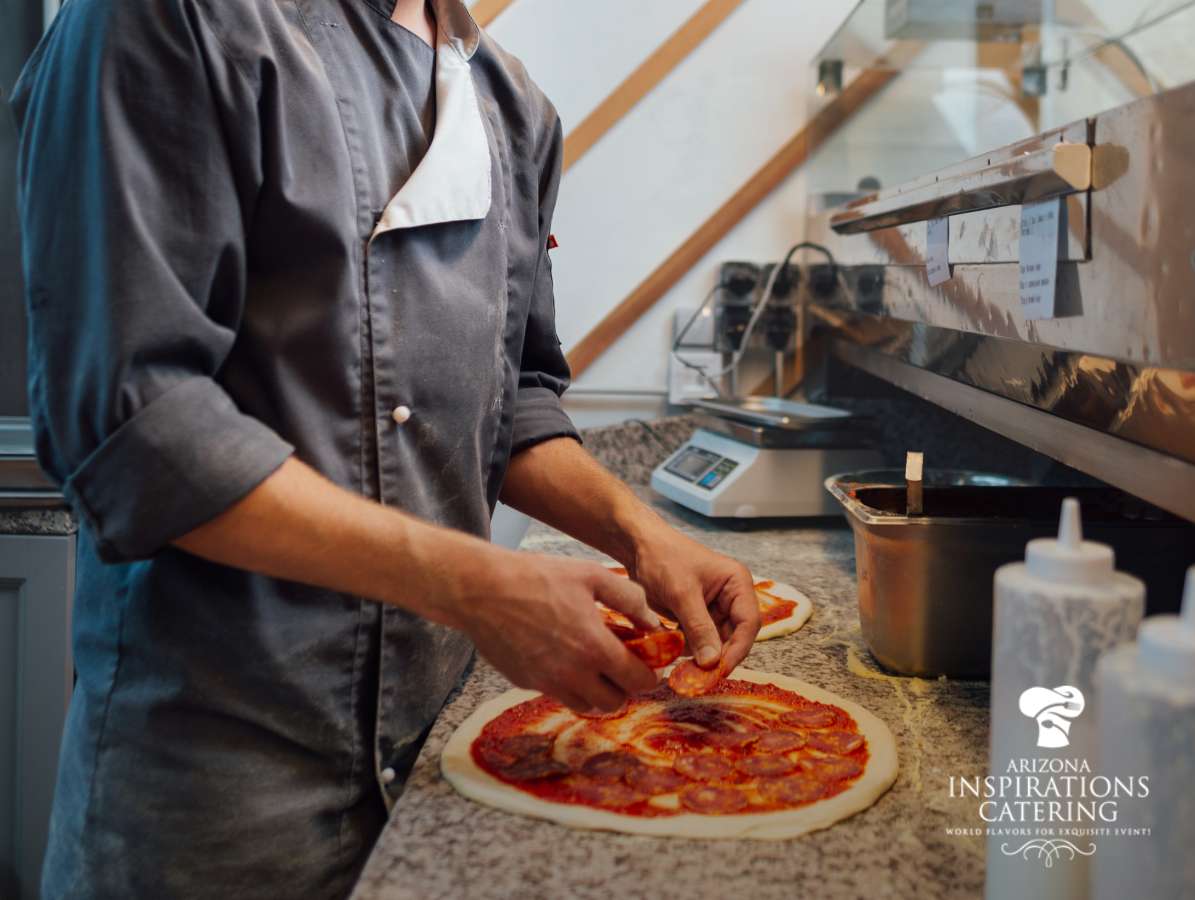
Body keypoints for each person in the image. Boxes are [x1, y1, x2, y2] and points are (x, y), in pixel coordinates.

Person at [12, 1, 760, 897]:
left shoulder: (511, 104)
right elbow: (140, 430)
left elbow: (511, 396)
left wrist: (642, 533)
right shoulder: (168, 19)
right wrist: (482, 588)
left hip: (436, 758)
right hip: (220, 783)